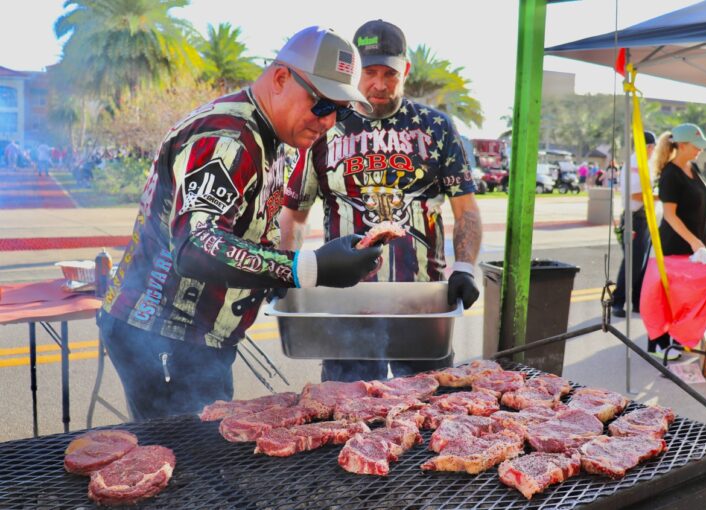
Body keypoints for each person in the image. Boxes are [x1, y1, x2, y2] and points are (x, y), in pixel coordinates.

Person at [98, 26, 383, 421]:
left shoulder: (274, 136)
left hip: (199, 336)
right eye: (321, 104)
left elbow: (244, 231)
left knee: (208, 452)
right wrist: (308, 267)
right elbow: (196, 247)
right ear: (281, 78)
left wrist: (276, 279)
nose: (329, 121)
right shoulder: (227, 138)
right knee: (189, 462)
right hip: (164, 334)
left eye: (342, 110)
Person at [279, 19, 482, 382]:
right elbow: (294, 214)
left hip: (422, 305)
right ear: (354, 71)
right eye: (370, 72)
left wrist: (465, 267)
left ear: (405, 69)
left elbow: (465, 209)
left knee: (425, 414)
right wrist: (288, 268)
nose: (379, 84)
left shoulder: (435, 127)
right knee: (350, 416)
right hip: (346, 304)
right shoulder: (326, 126)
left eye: (389, 73)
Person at [649, 123, 706, 356]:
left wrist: (702, 240)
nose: (699, 150)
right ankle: (658, 343)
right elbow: (670, 215)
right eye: (696, 146)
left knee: (684, 296)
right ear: (682, 145)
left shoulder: (692, 167)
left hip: (694, 244)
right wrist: (694, 240)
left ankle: (677, 337)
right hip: (674, 245)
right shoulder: (670, 174)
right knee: (668, 295)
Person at [612, 131, 656, 318]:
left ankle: (637, 302)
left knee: (642, 263)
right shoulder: (636, 163)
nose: (654, 151)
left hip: (641, 218)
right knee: (633, 262)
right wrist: (662, 197)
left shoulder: (640, 163)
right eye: (653, 147)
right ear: (648, 147)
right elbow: (636, 195)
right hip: (634, 218)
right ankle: (617, 301)